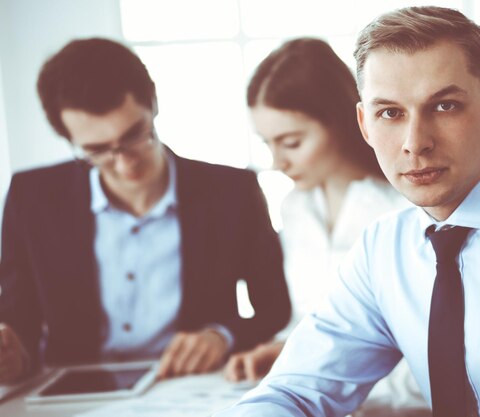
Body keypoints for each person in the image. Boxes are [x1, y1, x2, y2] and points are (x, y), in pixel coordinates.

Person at [216, 6, 480, 417]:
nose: (415, 142)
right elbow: (297, 391)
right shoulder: (382, 250)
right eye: (390, 113)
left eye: (444, 106)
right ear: (364, 124)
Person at [0, 38, 291, 384]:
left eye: (135, 135)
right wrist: (14, 351)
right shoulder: (31, 197)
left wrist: (222, 334)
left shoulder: (233, 191)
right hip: (71, 392)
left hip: (191, 386)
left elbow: (275, 308)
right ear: (67, 136)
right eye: (97, 150)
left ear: (152, 102)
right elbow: (19, 314)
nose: (124, 165)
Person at [222, 38, 427, 415]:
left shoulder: (407, 209)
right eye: (268, 143)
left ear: (341, 122)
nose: (277, 162)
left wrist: (321, 378)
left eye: (292, 142)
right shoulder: (296, 207)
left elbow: (428, 349)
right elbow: (314, 320)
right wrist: (284, 352)